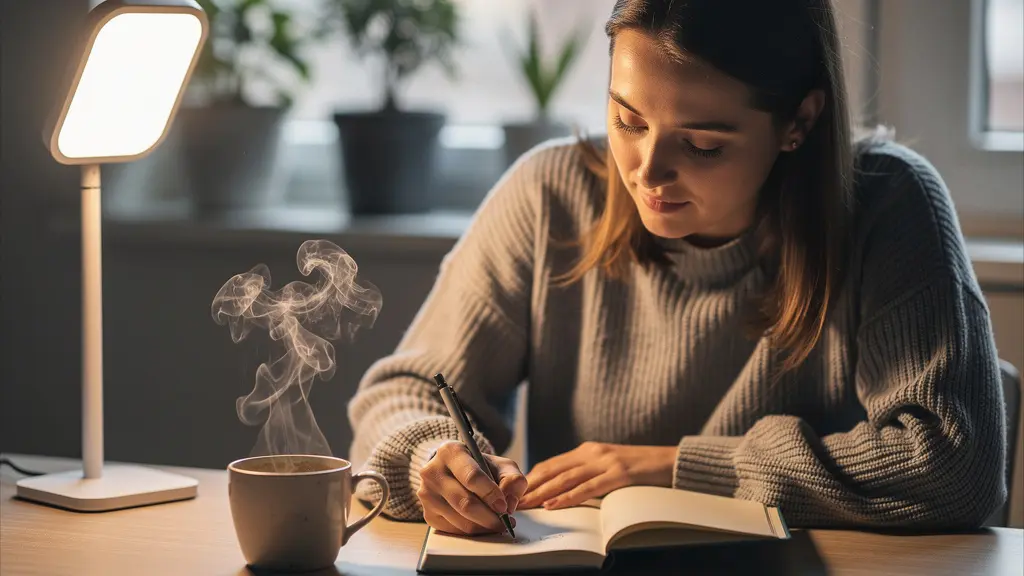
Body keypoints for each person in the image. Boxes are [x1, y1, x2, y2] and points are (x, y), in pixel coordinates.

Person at [347, 0, 1008, 535]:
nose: (647, 172)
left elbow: (952, 466)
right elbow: (399, 395)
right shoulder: (549, 196)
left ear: (799, 121)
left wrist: (676, 468)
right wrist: (432, 458)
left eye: (700, 143)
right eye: (627, 121)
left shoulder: (886, 205)